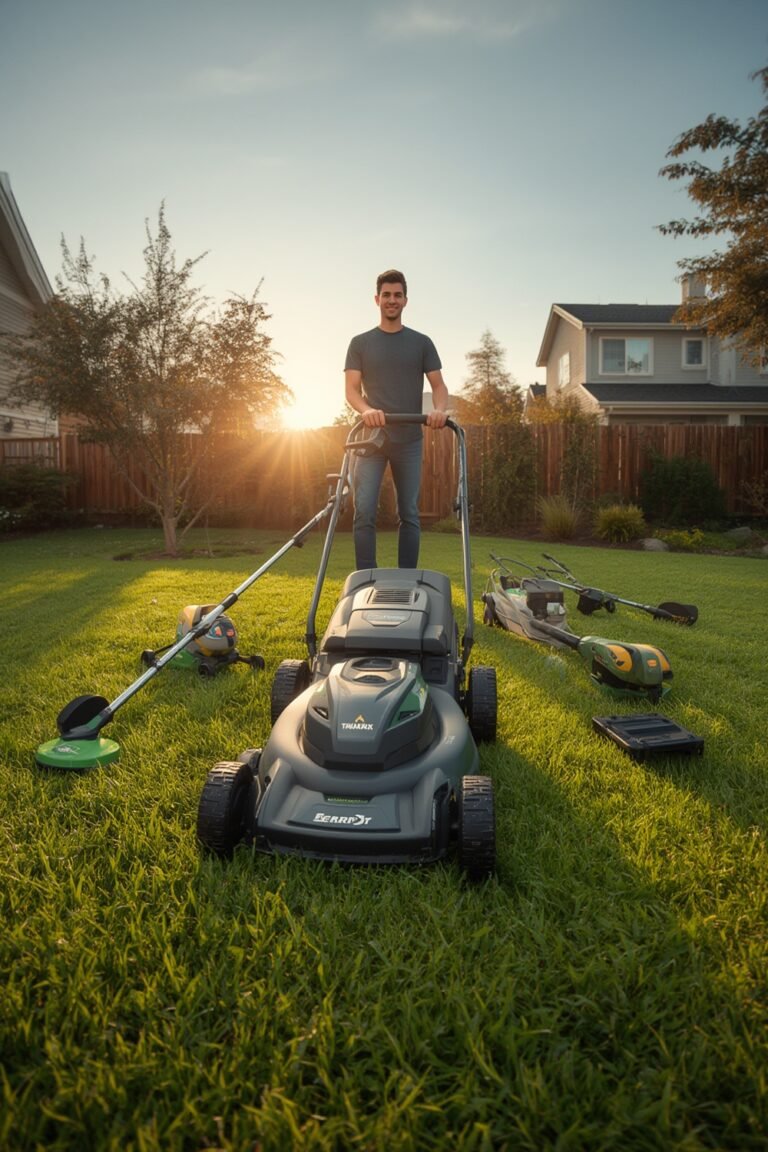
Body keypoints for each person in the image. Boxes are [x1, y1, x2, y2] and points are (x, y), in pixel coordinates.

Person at [344, 269, 449, 570]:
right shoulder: (360, 343)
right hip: (371, 440)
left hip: (409, 441)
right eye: (386, 295)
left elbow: (438, 386)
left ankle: (407, 579)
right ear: (377, 299)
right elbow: (351, 390)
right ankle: (365, 578)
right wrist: (366, 410)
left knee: (409, 513)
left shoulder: (421, 343)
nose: (392, 300)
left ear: (405, 300)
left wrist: (440, 410)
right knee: (364, 511)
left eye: (397, 295)